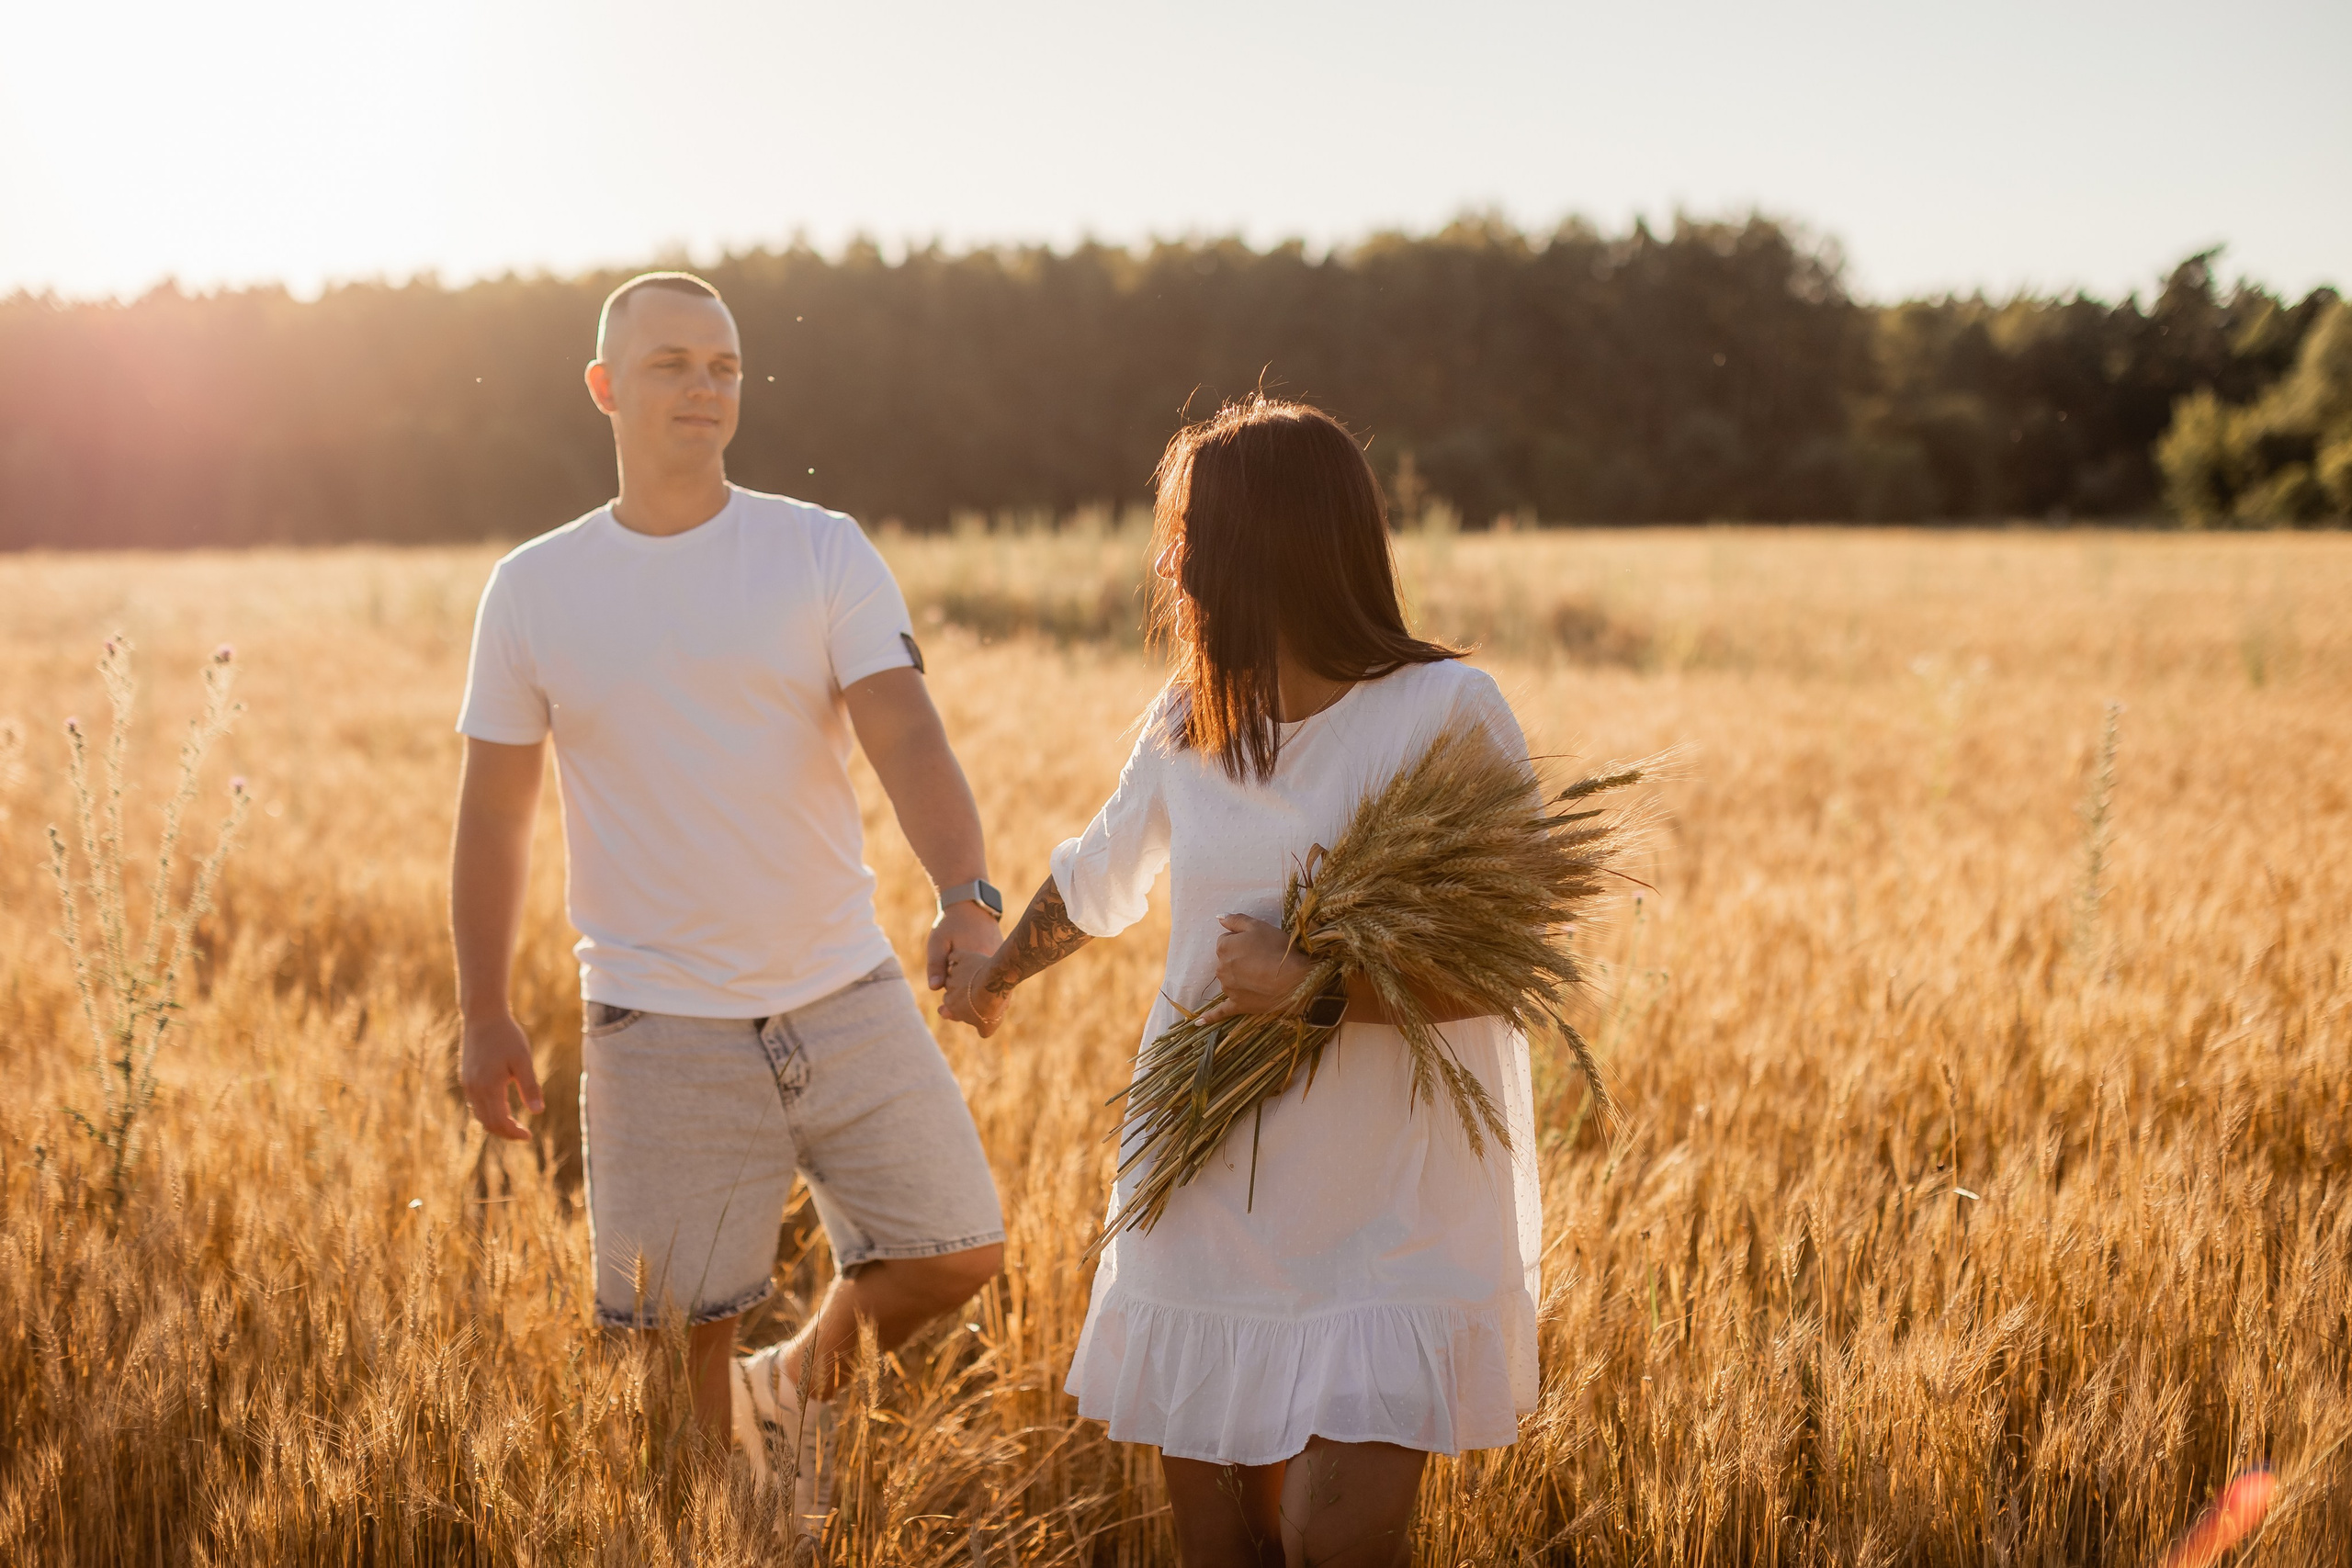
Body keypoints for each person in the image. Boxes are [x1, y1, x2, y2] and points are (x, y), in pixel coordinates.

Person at [449, 270, 1007, 1532]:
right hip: (656, 1021)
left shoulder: (819, 546)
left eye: (724, 365)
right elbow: (492, 814)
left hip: (841, 986)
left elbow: (908, 733)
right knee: (670, 1353)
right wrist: (483, 1007)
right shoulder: (534, 589)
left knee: (956, 1249)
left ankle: (789, 1385)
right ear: (604, 387)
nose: (704, 386)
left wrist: (966, 894)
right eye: (670, 364)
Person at [943, 397, 1543, 1568]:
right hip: (1209, 1194)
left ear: (1266, 545)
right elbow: (1095, 881)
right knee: (1224, 1546)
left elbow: (1508, 954)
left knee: (1337, 1538)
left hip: (1391, 1211)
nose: (1170, 561)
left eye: (1189, 532)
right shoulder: (1187, 719)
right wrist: (991, 973)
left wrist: (1315, 990)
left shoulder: (1445, 714)